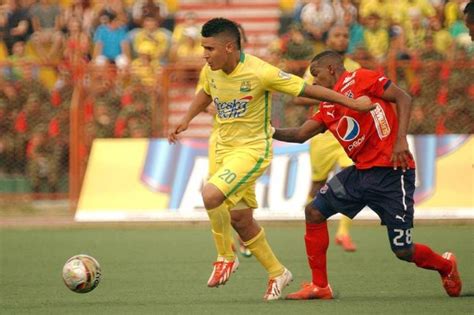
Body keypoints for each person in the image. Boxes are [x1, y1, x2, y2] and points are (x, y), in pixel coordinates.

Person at [168, 18, 373, 301]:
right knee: (240, 218)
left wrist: (351, 102)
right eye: (203, 48)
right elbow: (205, 91)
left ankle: (225, 257)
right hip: (221, 148)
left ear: (229, 47)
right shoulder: (210, 70)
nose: (204, 54)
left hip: (252, 149)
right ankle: (278, 272)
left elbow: (307, 90)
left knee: (211, 195)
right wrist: (186, 119)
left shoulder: (261, 72)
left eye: (209, 48)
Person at [272, 50, 462, 300]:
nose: (314, 83)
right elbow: (299, 134)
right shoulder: (328, 105)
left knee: (402, 250)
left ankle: (446, 265)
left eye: (315, 75)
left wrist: (400, 139)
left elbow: (403, 98)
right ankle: (320, 286)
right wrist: (267, 130)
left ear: (331, 69)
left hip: (393, 173)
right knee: (314, 211)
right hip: (360, 175)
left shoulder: (361, 78)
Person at [294, 25, 361, 252]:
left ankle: (343, 232)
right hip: (323, 132)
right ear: (328, 39)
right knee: (318, 183)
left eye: (345, 35)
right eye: (337, 35)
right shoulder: (316, 67)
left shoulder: (355, 68)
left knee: (349, 174)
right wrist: (334, 97)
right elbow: (301, 96)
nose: (342, 39)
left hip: (348, 131)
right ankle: (310, 223)